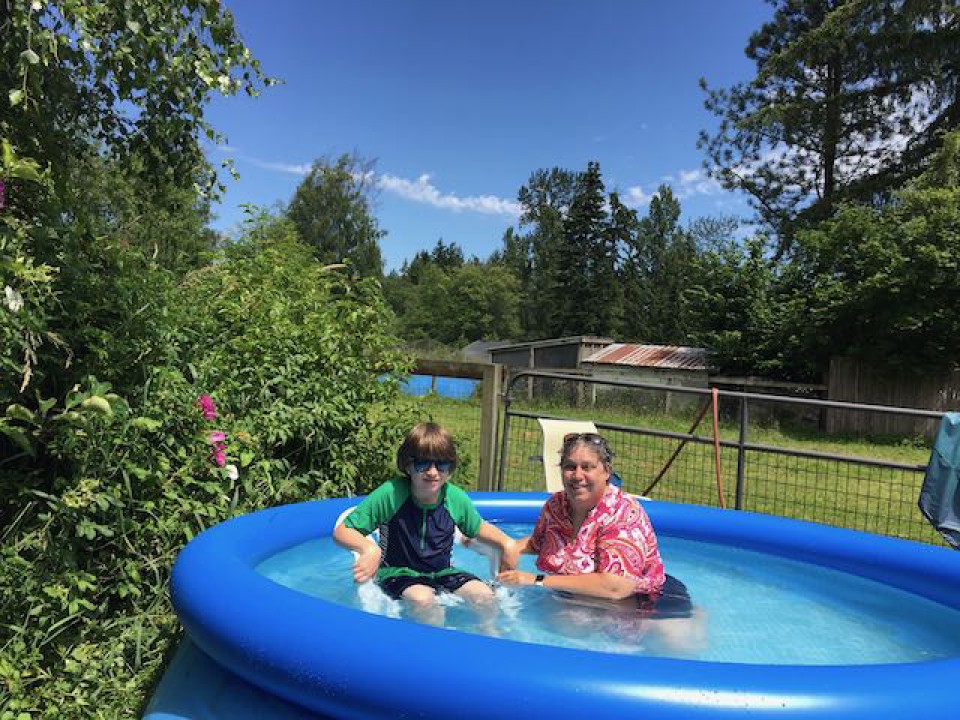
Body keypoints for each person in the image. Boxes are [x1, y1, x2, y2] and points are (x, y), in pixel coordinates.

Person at [498, 432, 700, 651]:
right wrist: (512, 547)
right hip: (589, 596)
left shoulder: (622, 512)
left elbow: (616, 586)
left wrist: (536, 580)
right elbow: (539, 542)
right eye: (570, 467)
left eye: (587, 467)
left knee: (674, 646)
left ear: (606, 471)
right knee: (568, 623)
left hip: (651, 598)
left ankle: (696, 616)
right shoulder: (557, 505)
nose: (577, 475)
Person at [334, 422, 518, 626]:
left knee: (484, 596)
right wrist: (369, 549)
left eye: (442, 464)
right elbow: (343, 530)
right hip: (398, 572)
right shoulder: (392, 494)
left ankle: (489, 634)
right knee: (423, 600)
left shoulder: (454, 498)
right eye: (422, 464)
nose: (432, 472)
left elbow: (477, 527)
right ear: (408, 465)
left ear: (450, 468)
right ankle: (436, 642)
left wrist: (507, 543)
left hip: (442, 572)